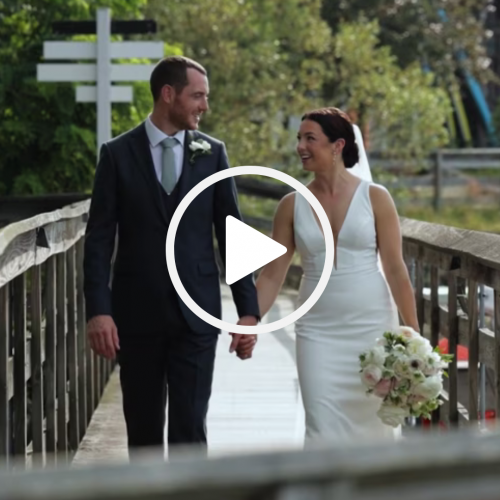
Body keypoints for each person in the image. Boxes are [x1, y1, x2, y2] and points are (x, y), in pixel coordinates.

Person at [83, 56, 259, 460]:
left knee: (190, 431)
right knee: (142, 433)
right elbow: (98, 240)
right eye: (197, 96)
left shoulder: (213, 154)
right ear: (168, 94)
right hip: (136, 316)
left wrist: (248, 310)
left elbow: (231, 232)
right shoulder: (117, 154)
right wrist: (98, 310)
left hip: (197, 315)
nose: (205, 106)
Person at [254, 107, 419, 445]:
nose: (300, 146)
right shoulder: (291, 204)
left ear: (337, 145)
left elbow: (395, 269)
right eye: (299, 138)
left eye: (310, 138)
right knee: (321, 427)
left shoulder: (376, 198)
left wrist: (414, 334)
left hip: (371, 326)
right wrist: (249, 321)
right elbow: (272, 275)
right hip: (317, 332)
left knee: (376, 428)